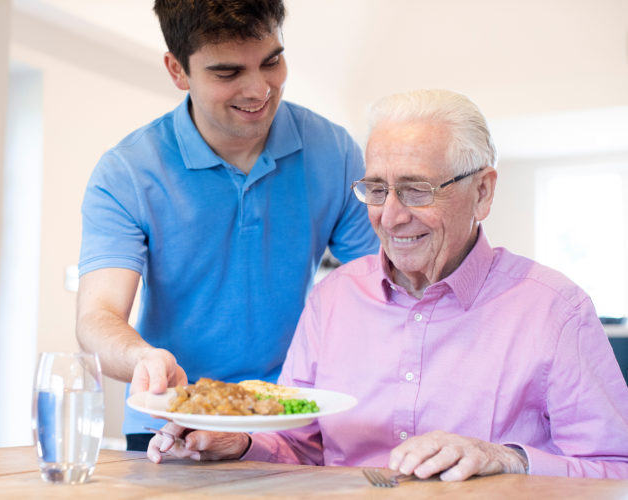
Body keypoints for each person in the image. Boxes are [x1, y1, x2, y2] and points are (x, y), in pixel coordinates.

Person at [147, 89, 628, 480]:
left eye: (418, 189)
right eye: (376, 189)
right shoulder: (334, 297)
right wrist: (241, 441)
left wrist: (508, 458)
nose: (392, 216)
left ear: (482, 192)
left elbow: (615, 470)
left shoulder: (555, 310)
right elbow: (300, 441)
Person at [76, 0, 380, 451]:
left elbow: (380, 288)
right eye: (228, 73)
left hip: (289, 422)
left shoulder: (334, 151)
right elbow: (96, 318)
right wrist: (142, 358)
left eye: (272, 61)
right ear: (178, 70)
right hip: (173, 420)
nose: (260, 89)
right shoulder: (128, 172)